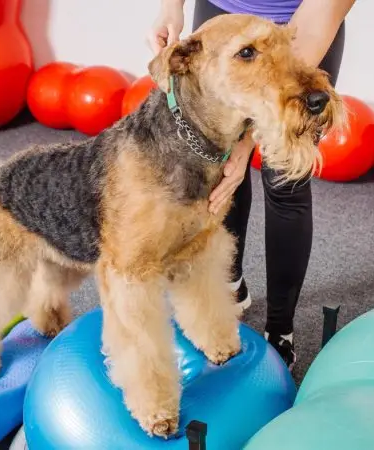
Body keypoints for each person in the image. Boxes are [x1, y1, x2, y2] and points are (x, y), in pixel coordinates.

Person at [147, 0, 355, 369]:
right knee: (217, 171)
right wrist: (170, 8)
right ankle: (230, 282)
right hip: (223, 10)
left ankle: (280, 326)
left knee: (285, 182)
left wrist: (245, 139)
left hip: (300, 23)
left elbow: (322, 11)